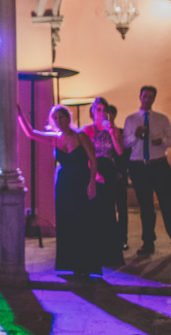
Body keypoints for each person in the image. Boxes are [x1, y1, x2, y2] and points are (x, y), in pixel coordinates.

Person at [17, 104, 101, 277]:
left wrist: (92, 182)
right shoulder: (55, 138)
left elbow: (93, 160)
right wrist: (19, 114)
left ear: (68, 118)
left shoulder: (80, 136)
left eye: (61, 117)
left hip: (81, 181)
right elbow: (31, 133)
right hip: (63, 183)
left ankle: (85, 266)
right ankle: (69, 264)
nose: (58, 120)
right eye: (55, 118)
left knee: (82, 220)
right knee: (66, 221)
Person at [123, 85, 171, 257]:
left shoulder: (161, 119)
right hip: (139, 165)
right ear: (140, 97)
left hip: (158, 164)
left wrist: (162, 141)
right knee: (145, 207)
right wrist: (135, 135)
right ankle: (148, 242)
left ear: (154, 99)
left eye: (150, 97)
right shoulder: (131, 119)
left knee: (168, 205)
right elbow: (125, 143)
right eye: (145, 96)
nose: (147, 99)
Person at [81, 97, 124, 267]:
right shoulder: (87, 130)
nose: (101, 112)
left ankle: (111, 255)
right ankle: (95, 253)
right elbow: (84, 154)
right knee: (93, 211)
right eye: (98, 109)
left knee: (109, 211)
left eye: (104, 109)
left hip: (109, 170)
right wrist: (94, 173)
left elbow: (119, 152)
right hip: (94, 169)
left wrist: (112, 133)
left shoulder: (113, 130)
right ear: (93, 111)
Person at [106, 104, 130, 250]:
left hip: (119, 174)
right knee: (107, 207)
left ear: (114, 115)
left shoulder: (120, 132)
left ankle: (122, 238)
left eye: (110, 114)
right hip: (104, 174)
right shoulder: (98, 133)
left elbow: (124, 154)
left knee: (122, 207)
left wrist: (121, 171)